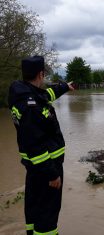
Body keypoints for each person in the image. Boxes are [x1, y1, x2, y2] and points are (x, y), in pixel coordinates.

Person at [8, 56, 74, 235]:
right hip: (47, 168)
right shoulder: (32, 107)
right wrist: (52, 174)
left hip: (34, 169)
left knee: (34, 208)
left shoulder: (25, 94)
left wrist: (64, 87)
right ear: (41, 74)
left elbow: (47, 95)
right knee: (48, 215)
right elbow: (34, 145)